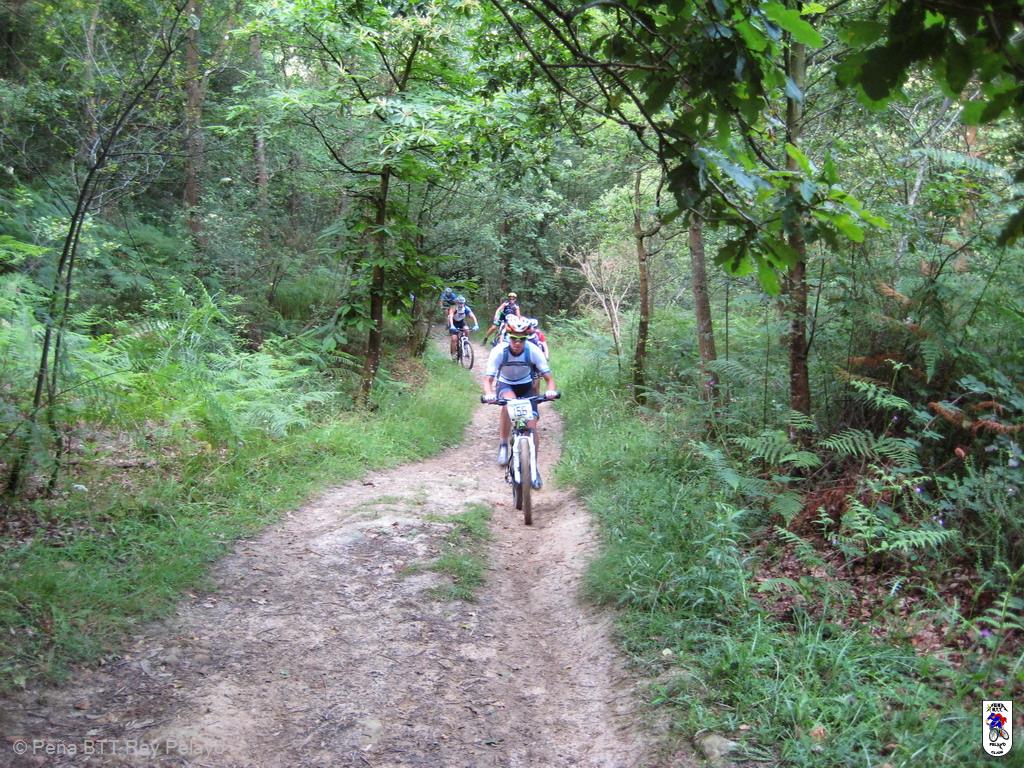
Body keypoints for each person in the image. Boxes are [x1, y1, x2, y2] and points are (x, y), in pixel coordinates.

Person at [482, 315, 558, 490]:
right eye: (513, 338)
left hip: (526, 386)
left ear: (526, 338)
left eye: (521, 339)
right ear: (507, 337)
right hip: (506, 385)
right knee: (508, 403)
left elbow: (549, 379)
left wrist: (550, 391)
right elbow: (488, 380)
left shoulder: (533, 351)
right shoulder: (499, 351)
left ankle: (533, 468)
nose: (517, 342)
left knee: (532, 425)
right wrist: (489, 394)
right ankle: (503, 444)